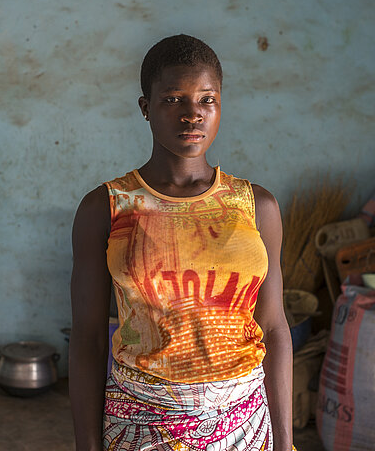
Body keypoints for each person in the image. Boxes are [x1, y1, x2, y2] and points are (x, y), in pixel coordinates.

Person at [70, 34, 294, 451]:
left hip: (245, 426)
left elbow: (276, 328)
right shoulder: (107, 208)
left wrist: (284, 442)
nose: (193, 115)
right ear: (146, 108)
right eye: (174, 99)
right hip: (141, 425)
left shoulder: (256, 206)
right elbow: (86, 339)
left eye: (207, 99)